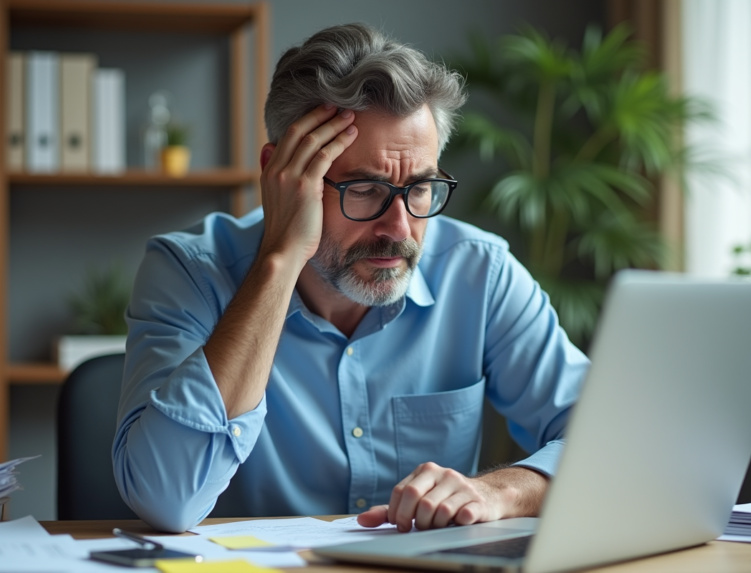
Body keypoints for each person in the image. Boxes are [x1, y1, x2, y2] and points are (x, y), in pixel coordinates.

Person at [113, 23, 589, 534]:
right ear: (282, 176)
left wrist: (502, 491)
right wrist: (280, 259)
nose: (399, 229)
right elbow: (166, 499)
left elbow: (613, 440)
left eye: (420, 188)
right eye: (364, 189)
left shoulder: (480, 273)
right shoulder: (189, 272)